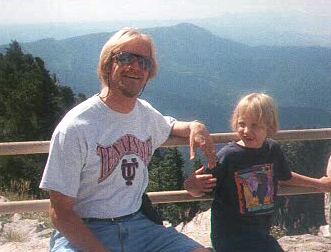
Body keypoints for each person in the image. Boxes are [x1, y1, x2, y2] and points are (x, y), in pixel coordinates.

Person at [39, 27, 217, 252]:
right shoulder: (76, 127)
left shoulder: (144, 114)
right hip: (84, 231)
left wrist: (194, 125)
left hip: (138, 226)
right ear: (107, 64)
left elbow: (169, 125)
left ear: (149, 73)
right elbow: (60, 213)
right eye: (125, 58)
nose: (135, 66)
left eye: (144, 62)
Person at [184, 93, 331, 252]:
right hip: (230, 237)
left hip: (260, 234)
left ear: (269, 126)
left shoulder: (271, 150)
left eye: (255, 125)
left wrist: (318, 184)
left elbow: (284, 176)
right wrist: (190, 184)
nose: (246, 130)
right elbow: (199, 189)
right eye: (242, 124)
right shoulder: (228, 157)